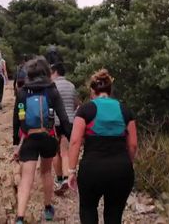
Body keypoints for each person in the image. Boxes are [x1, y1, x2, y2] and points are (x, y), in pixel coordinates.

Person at [67, 69, 138, 224]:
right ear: (110, 90)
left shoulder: (85, 110)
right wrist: (127, 164)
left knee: (88, 210)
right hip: (121, 169)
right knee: (114, 215)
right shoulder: (125, 110)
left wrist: (71, 171)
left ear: (92, 91)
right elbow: (132, 145)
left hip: (92, 169)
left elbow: (74, 142)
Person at [12, 57, 72, 224]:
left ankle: (20, 217)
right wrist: (72, 137)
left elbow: (16, 120)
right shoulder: (52, 90)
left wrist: (15, 144)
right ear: (46, 72)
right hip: (48, 137)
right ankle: (47, 209)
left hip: (29, 138)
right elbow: (64, 118)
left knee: (26, 178)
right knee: (45, 172)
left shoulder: (22, 91)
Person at [50, 63, 79, 195]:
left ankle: (59, 178)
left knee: (55, 152)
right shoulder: (71, 85)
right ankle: (67, 178)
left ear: (55, 72)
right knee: (65, 151)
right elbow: (76, 104)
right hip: (70, 121)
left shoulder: (52, 86)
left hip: (55, 121)